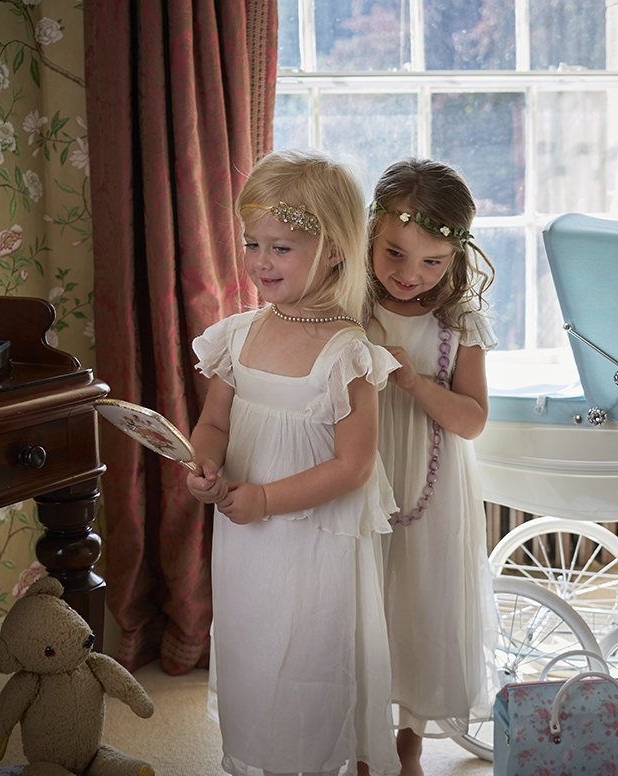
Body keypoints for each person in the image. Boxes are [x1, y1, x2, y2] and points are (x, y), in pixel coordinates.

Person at [186, 147, 402, 776]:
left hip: (311, 541)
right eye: (251, 243)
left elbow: (353, 467)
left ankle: (312, 761)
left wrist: (265, 499)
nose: (258, 262)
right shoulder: (239, 334)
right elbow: (215, 421)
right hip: (245, 538)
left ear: (334, 248)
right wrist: (202, 463)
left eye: (279, 248)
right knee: (253, 648)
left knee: (309, 658)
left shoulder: (347, 353)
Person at [365, 158, 500, 776]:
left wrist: (415, 383)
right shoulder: (347, 307)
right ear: (369, 234)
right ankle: (359, 734)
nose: (408, 275)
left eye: (431, 263)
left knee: (420, 604)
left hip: (433, 486)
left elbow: (472, 419)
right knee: (363, 603)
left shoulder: (459, 322)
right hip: (360, 474)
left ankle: (409, 738)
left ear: (457, 257)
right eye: (393, 254)